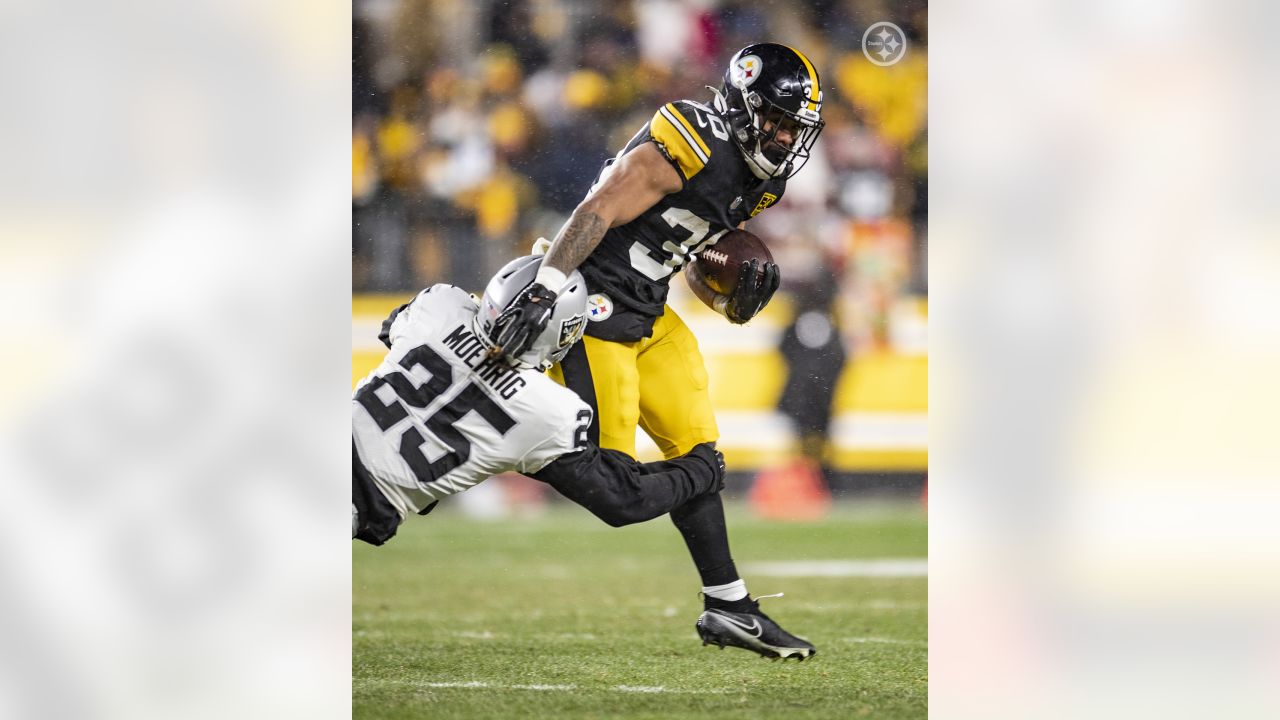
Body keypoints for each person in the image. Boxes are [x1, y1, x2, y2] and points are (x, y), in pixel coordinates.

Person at [488, 44, 825, 660]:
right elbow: (597, 209)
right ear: (743, 105)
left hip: (650, 311)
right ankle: (511, 439)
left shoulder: (764, 181)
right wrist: (547, 284)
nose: (782, 138)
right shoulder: (694, 138)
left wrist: (727, 281)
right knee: (619, 487)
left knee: (697, 448)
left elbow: (686, 252)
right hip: (594, 311)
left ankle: (729, 607)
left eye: (792, 127)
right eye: (775, 120)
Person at [352, 255, 726, 546]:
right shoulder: (547, 411)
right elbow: (623, 499)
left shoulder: (440, 305)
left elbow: (392, 328)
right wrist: (702, 469)